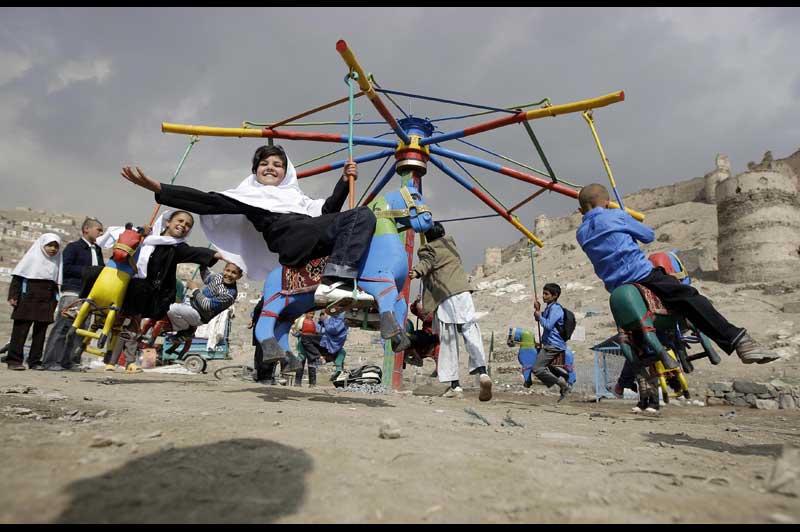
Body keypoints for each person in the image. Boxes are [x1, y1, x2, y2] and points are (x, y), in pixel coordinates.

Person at [120, 145, 381, 369]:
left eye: (277, 164)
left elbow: (327, 211)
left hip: (312, 233)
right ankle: (333, 281)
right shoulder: (250, 197)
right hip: (290, 238)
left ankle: (338, 278)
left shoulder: (298, 198)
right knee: (339, 222)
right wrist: (160, 189)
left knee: (362, 215)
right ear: (255, 170)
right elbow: (208, 201)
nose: (270, 167)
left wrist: (344, 182)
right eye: (264, 163)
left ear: (286, 171)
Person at [576, 183, 780, 365]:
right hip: (642, 275)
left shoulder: (581, 233)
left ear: (580, 210)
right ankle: (740, 341)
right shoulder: (616, 216)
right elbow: (648, 236)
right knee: (689, 297)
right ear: (608, 201)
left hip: (614, 285)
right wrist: (625, 217)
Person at [83, 210, 222, 373]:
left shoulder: (176, 248)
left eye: (188, 225)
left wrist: (222, 255)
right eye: (180, 221)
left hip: (142, 292)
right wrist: (140, 233)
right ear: (168, 222)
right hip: (124, 281)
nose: (183, 226)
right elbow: (123, 244)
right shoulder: (146, 238)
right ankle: (101, 349)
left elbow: (197, 252)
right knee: (92, 275)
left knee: (131, 328)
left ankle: (124, 362)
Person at [409, 222, 492, 401]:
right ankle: (483, 372)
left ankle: (455, 386)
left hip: (447, 296)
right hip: (464, 294)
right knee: (470, 330)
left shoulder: (429, 249)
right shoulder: (451, 246)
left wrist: (416, 272)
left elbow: (427, 263)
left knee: (448, 340)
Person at [42, 217, 105, 371]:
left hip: (89, 296)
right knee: (63, 328)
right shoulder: (73, 247)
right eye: (98, 230)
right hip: (73, 293)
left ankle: (69, 361)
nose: (100, 233)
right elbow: (66, 267)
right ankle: (51, 361)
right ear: (86, 229)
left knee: (80, 330)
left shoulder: (97, 250)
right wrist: (86, 272)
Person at [6, 234, 62, 370]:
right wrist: (13, 296)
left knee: (40, 333)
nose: (53, 249)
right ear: (42, 245)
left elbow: (56, 283)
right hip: (27, 298)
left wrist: (55, 302)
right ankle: (14, 361)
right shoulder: (32, 258)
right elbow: (18, 278)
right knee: (20, 331)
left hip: (46, 300)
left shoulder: (57, 261)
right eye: (50, 245)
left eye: (56, 246)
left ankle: (35, 361)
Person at [165, 261, 243, 352]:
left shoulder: (230, 295)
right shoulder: (219, 276)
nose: (229, 274)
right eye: (227, 270)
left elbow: (207, 305)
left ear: (239, 276)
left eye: (234, 273)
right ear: (224, 269)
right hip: (190, 302)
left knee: (171, 309)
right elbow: (207, 278)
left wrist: (194, 289)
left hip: (199, 314)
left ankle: (187, 331)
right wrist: (203, 262)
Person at [532, 283, 572, 402]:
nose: (543, 296)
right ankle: (564, 377)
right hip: (549, 344)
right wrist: (538, 311)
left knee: (537, 369)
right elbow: (539, 319)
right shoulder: (549, 307)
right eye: (543, 293)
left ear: (555, 296)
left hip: (554, 345)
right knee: (546, 366)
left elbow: (548, 325)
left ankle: (563, 384)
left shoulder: (556, 309)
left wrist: (539, 316)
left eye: (546, 294)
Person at [292, 310, 348, 387]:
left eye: (313, 314)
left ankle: (312, 384)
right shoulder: (301, 321)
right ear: (305, 314)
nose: (312, 316)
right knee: (301, 359)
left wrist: (322, 322)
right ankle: (297, 383)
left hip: (311, 345)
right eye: (310, 313)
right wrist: (300, 333)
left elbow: (321, 331)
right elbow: (295, 331)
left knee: (312, 362)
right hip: (302, 344)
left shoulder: (314, 323)